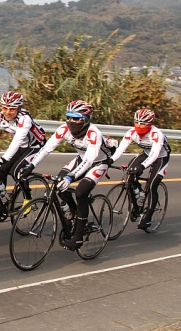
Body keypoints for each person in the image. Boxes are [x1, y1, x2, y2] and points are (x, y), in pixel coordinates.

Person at [19, 100, 116, 250]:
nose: (71, 121)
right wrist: (31, 165)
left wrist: (70, 177)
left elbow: (89, 160)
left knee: (81, 192)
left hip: (98, 163)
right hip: (81, 160)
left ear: (86, 119)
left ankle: (78, 236)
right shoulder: (64, 129)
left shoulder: (94, 133)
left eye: (76, 118)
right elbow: (46, 149)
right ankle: (73, 212)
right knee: (58, 185)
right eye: (69, 117)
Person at [110, 108, 171, 229]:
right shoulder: (131, 132)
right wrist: (110, 160)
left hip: (161, 157)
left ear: (150, 123)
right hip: (146, 154)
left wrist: (142, 166)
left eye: (143, 123)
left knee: (153, 184)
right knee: (129, 174)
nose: (139, 125)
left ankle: (148, 217)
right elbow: (120, 149)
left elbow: (155, 154)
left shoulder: (156, 134)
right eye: (136, 122)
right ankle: (139, 196)